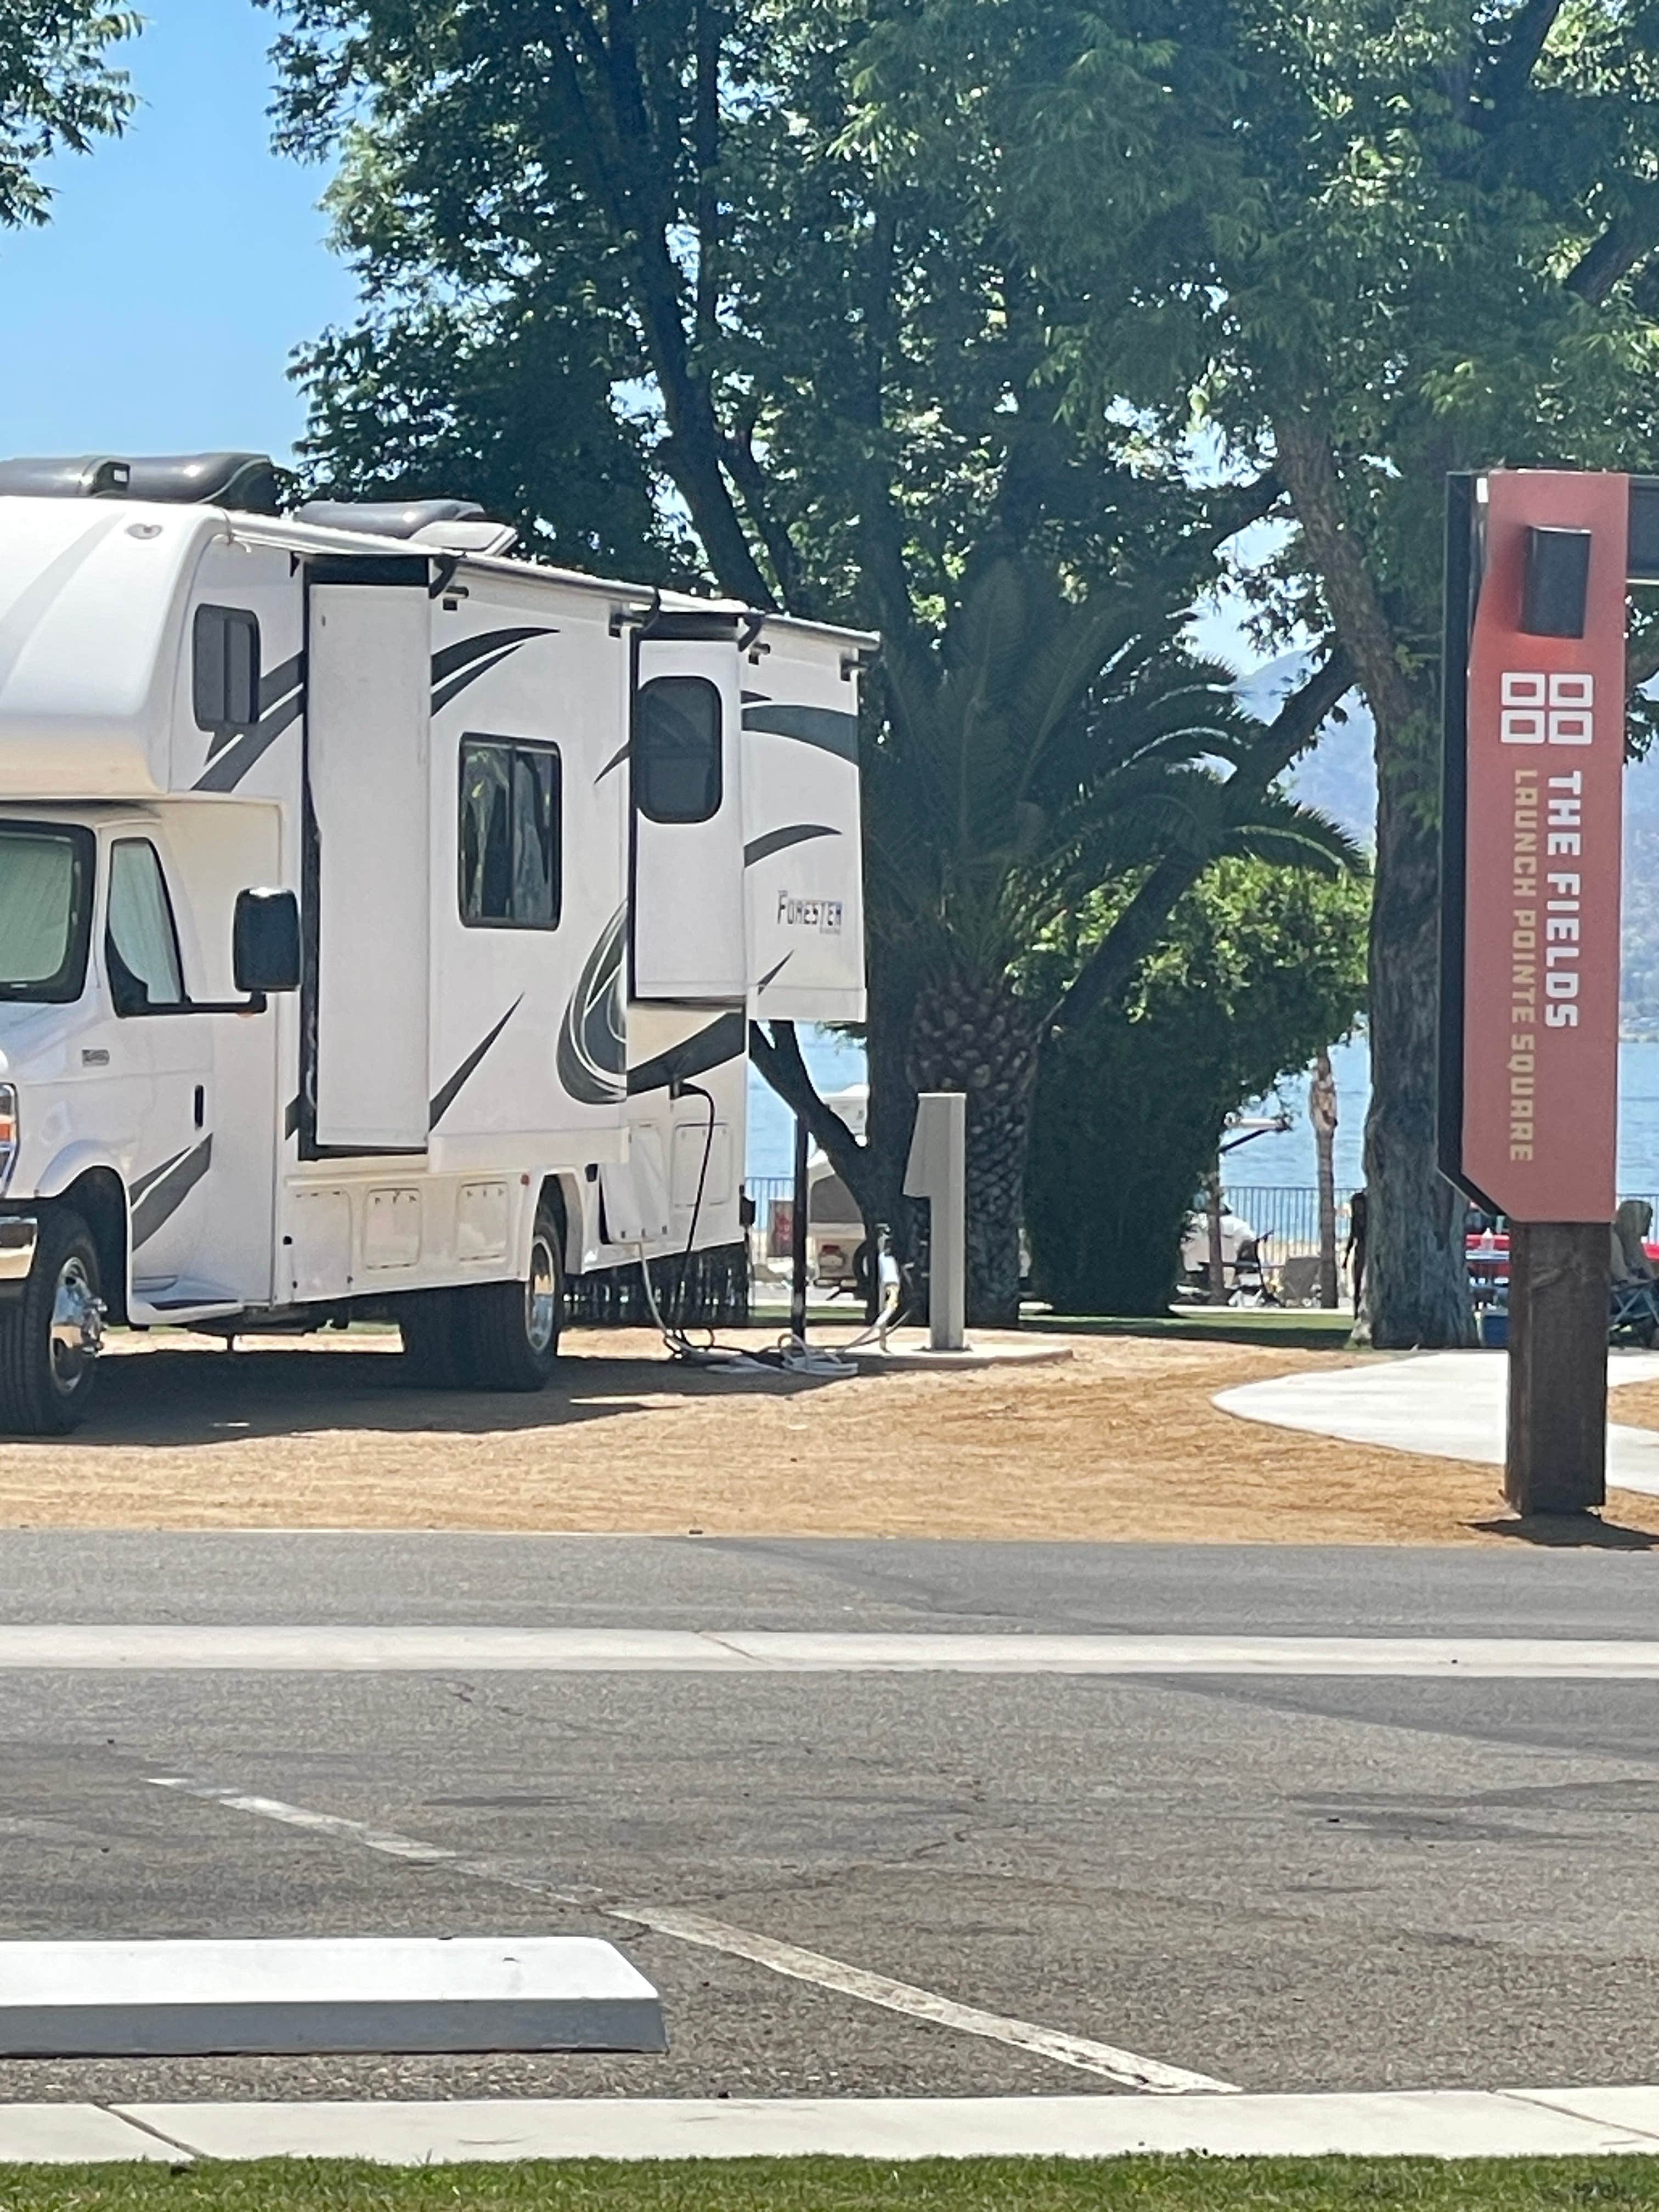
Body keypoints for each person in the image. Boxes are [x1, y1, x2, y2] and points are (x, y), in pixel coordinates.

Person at [1344, 1189, 1368, 1311]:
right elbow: (1352, 1237)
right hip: (1360, 1249)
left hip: (1368, 1249)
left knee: (1365, 1279)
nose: (1358, 1209)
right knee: (1357, 1279)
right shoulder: (1356, 1220)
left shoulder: (1371, 1220)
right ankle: (1356, 1306)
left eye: (1360, 1206)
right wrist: (1347, 1256)